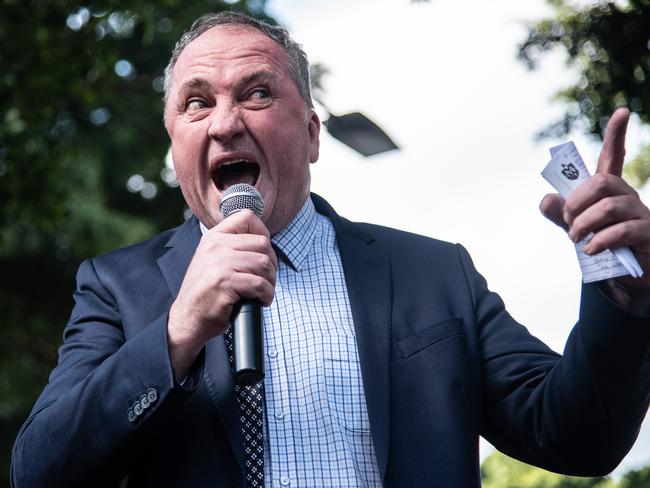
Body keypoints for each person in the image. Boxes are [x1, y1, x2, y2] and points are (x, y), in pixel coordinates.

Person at [11, 11, 650, 488]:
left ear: (313, 134)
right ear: (175, 145)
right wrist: (177, 335)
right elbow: (39, 469)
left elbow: (576, 438)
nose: (226, 121)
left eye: (257, 93)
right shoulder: (117, 287)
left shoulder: (432, 274)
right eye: (196, 103)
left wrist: (620, 287)